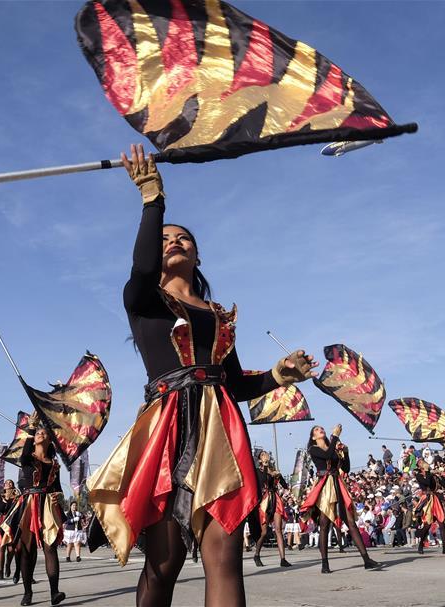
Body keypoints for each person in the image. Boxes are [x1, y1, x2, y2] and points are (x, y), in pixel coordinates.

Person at [87, 145, 317, 607]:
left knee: (225, 559)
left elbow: (235, 384)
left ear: (198, 255)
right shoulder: (142, 300)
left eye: (184, 240)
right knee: (163, 564)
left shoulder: (217, 315)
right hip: (167, 429)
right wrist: (153, 199)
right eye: (166, 237)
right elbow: (144, 265)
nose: (174, 242)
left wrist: (279, 374)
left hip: (220, 433)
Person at [300, 425, 381, 573]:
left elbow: (346, 468)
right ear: (313, 437)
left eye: (321, 428)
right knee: (324, 523)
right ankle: (325, 563)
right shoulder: (313, 449)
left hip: (338, 483)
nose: (320, 430)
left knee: (350, 521)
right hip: (325, 485)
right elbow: (327, 456)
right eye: (317, 430)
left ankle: (366, 559)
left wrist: (346, 452)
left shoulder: (334, 448)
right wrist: (335, 437)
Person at [2, 422, 66, 606]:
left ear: (49, 440)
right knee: (27, 551)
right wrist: (31, 428)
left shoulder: (54, 464)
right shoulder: (27, 459)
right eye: (38, 433)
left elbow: (58, 488)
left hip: (47, 506)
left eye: (44, 433)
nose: (40, 434)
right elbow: (24, 452)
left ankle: (54, 592)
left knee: (50, 547)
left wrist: (58, 497)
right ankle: (27, 592)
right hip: (28, 504)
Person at [252, 451, 291, 568]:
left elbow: (285, 485)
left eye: (266, 454)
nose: (265, 456)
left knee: (278, 529)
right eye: (263, 455)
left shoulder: (274, 470)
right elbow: (262, 482)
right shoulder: (258, 471)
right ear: (259, 460)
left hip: (275, 499)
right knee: (263, 532)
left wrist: (278, 475)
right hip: (264, 501)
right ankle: (257, 554)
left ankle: (283, 559)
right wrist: (265, 468)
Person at [413, 460, 445, 554]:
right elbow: (427, 483)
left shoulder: (431, 474)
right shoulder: (419, 475)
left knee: (442, 523)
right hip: (427, 499)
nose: (424, 463)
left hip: (435, 499)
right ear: (419, 466)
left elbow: (444, 485)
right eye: (421, 462)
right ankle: (420, 545)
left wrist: (440, 475)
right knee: (427, 525)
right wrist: (428, 472)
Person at [0, 479, 20, 582]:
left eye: (10, 482)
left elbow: (16, 509)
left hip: (12, 522)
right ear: (4, 486)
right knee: (1, 547)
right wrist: (4, 501)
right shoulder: (0, 496)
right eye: (7, 483)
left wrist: (12, 499)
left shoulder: (17, 497)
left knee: (11, 549)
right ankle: (0, 572)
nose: (8, 484)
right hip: (2, 523)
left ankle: (8, 564)